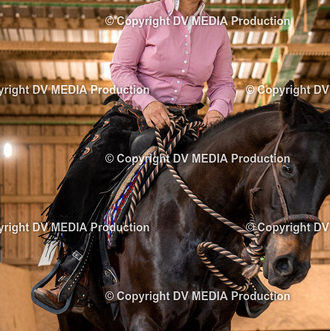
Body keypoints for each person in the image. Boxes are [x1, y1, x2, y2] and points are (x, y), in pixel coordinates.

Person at [33, 0, 236, 310]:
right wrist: (148, 102)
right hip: (135, 116)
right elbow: (121, 69)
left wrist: (218, 112)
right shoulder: (145, 15)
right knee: (85, 173)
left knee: (233, 176)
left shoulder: (216, 30)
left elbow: (222, 84)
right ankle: (73, 269)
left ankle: (241, 271)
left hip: (187, 124)